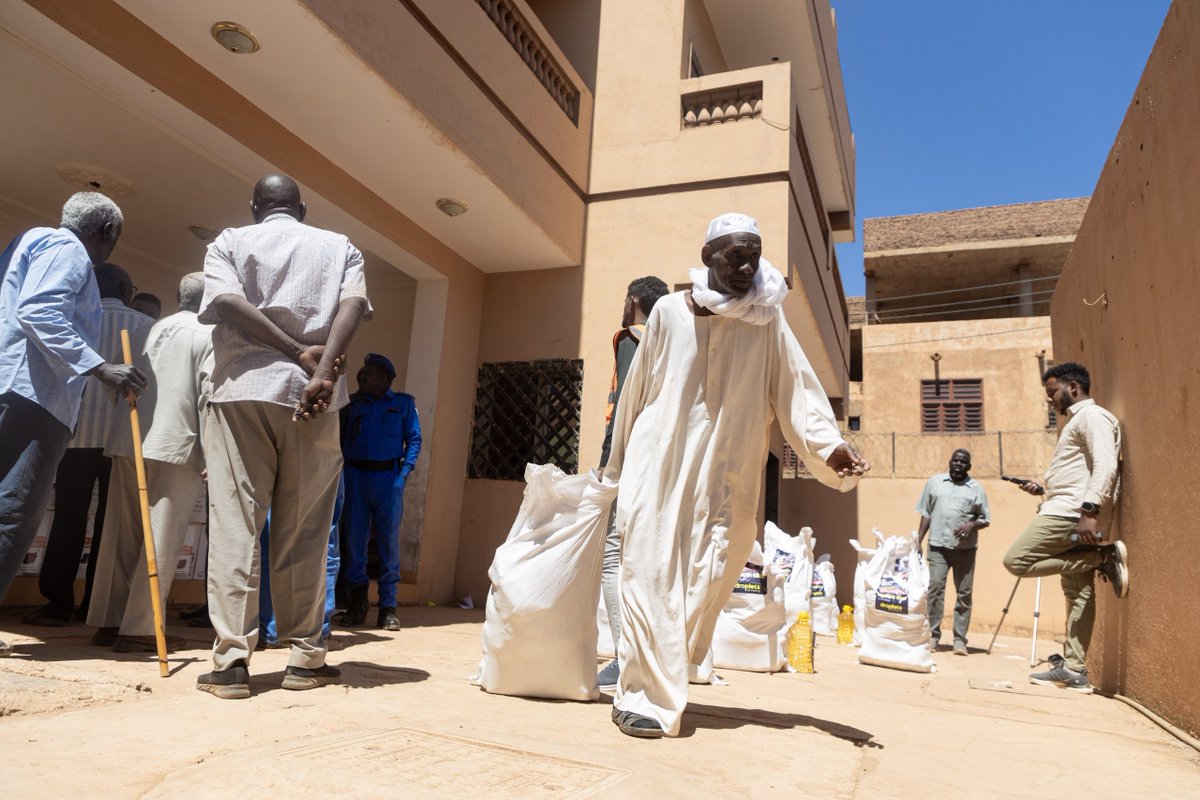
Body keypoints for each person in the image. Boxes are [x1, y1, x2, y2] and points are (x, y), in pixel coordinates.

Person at [603, 213, 869, 737]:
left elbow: (798, 389)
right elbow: (635, 393)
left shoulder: (767, 320)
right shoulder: (668, 315)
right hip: (660, 466)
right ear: (708, 258)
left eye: (755, 253)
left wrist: (829, 446)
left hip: (729, 471)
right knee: (651, 570)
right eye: (735, 255)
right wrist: (615, 465)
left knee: (712, 572)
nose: (748, 265)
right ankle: (639, 693)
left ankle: (674, 666)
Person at [195, 174, 370, 698]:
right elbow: (353, 306)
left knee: (235, 525)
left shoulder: (228, 241)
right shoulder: (340, 246)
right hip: (313, 399)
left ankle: (230, 664)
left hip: (240, 393)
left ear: (255, 208)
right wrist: (320, 373)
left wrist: (294, 353)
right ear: (303, 206)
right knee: (307, 531)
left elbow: (224, 304)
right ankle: (304, 660)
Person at [0, 192, 146, 657]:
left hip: (19, 390)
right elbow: (39, 310)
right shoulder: (67, 249)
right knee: (12, 512)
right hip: (33, 396)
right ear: (107, 233)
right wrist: (101, 367)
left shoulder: (30, 242)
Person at [22, 262, 154, 627]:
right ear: (128, 291)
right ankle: (97, 605)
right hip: (122, 441)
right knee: (110, 526)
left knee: (68, 518)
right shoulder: (145, 326)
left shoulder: (76, 317)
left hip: (74, 436)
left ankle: (57, 603)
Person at [87, 272, 213, 652]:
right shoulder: (210, 335)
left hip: (129, 439)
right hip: (177, 447)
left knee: (120, 537)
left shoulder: (149, 330)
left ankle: (108, 624)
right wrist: (212, 451)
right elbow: (210, 397)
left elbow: (116, 383)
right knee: (160, 539)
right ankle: (139, 630)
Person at [1004, 362, 1128, 694]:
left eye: (1051, 392)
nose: (1049, 400)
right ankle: (1075, 669)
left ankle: (1101, 559)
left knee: (1016, 561)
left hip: (1071, 515)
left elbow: (1105, 465)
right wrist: (1042, 489)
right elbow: (1080, 473)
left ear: (1072, 387)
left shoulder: (1093, 418)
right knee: (1078, 594)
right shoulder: (1077, 422)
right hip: (1068, 507)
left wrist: (1090, 510)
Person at [597, 276, 668, 690]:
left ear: (636, 300)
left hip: (631, 459)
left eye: (626, 298)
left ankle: (626, 657)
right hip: (664, 460)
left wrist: (608, 463)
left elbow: (624, 403)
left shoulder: (631, 338)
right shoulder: (670, 345)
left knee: (612, 557)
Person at [338, 353, 421, 630]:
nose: (362, 376)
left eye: (368, 373)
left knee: (388, 542)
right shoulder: (352, 405)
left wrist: (403, 474)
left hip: (388, 477)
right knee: (354, 542)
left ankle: (388, 608)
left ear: (385, 378)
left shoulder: (403, 404)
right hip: (356, 475)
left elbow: (414, 440)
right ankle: (357, 604)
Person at [915, 448, 990, 655]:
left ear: (969, 466)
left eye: (963, 462)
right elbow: (926, 512)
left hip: (964, 550)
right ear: (950, 462)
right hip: (938, 545)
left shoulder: (976, 488)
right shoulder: (935, 483)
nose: (958, 464)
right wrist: (918, 540)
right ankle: (933, 636)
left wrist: (971, 525)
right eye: (955, 460)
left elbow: (985, 519)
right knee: (936, 588)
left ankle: (959, 640)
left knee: (964, 594)